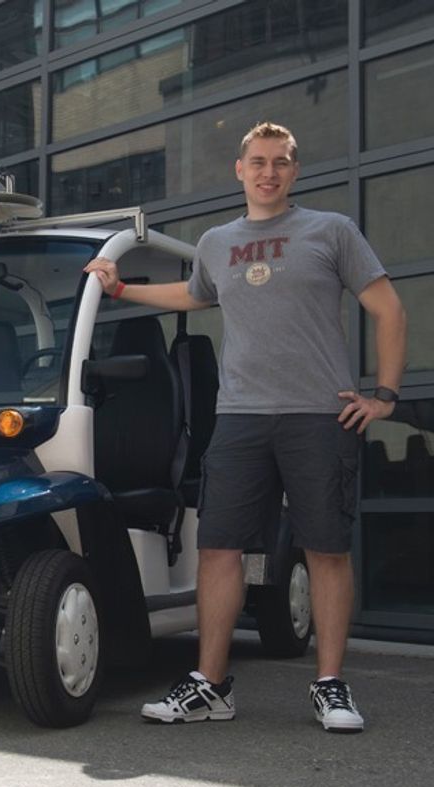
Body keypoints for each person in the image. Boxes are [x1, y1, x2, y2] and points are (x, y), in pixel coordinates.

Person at [84, 121, 407, 733]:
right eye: (257, 161)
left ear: (294, 169)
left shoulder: (331, 231)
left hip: (319, 413)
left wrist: (385, 396)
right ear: (240, 170)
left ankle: (331, 684)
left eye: (280, 162)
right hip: (239, 418)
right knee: (218, 548)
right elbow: (192, 294)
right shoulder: (215, 242)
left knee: (327, 551)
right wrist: (121, 287)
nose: (268, 171)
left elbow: (388, 307)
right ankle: (210, 685)